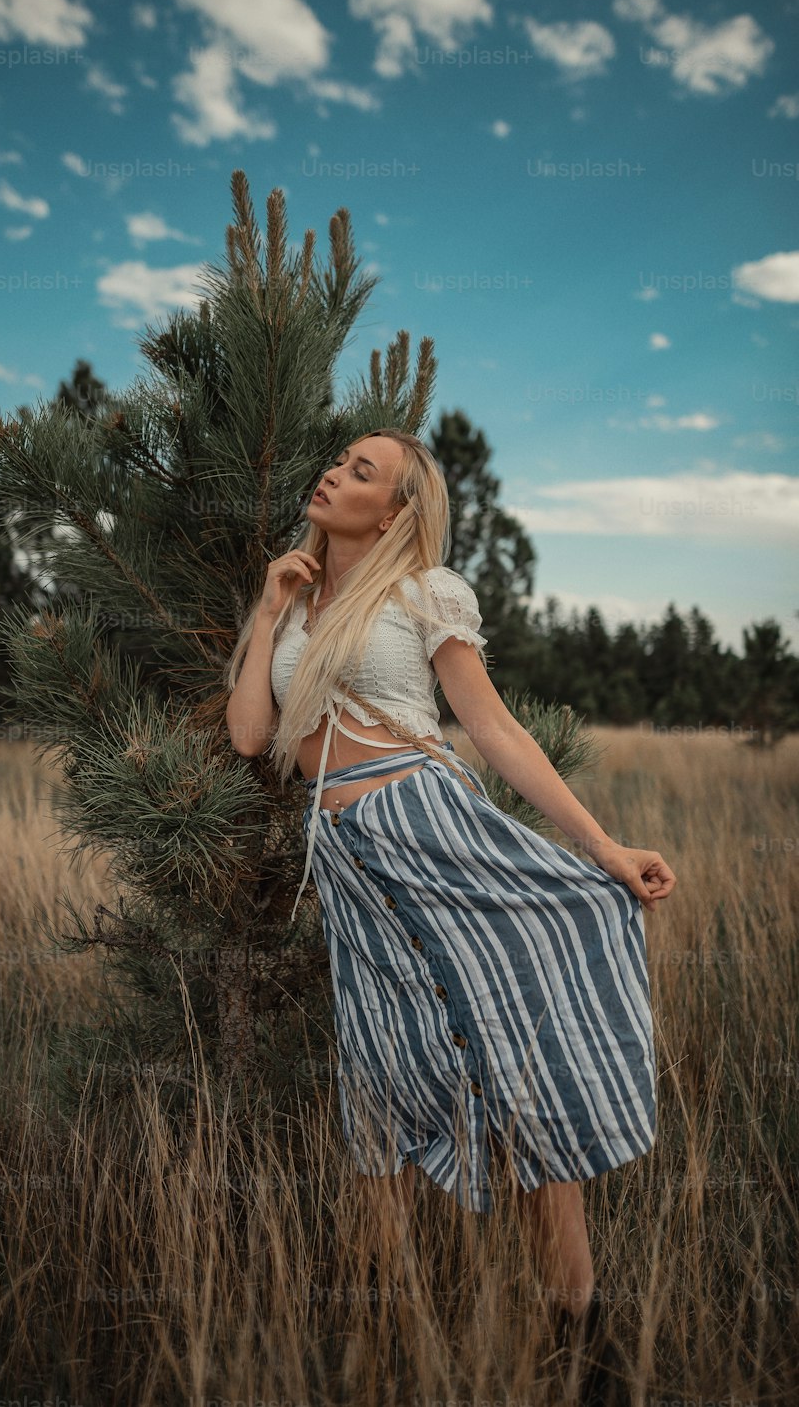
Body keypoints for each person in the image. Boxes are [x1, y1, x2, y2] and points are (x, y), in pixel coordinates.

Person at [224, 427, 675, 1401]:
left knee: (518, 1078)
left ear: (394, 512)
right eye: (338, 459)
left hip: (430, 830)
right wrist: (266, 612)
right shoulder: (298, 602)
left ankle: (581, 1340)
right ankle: (380, 1353)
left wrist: (601, 847)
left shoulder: (424, 592)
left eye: (360, 471)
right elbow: (255, 737)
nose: (334, 473)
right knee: (377, 1095)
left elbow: (492, 725)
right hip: (349, 869)